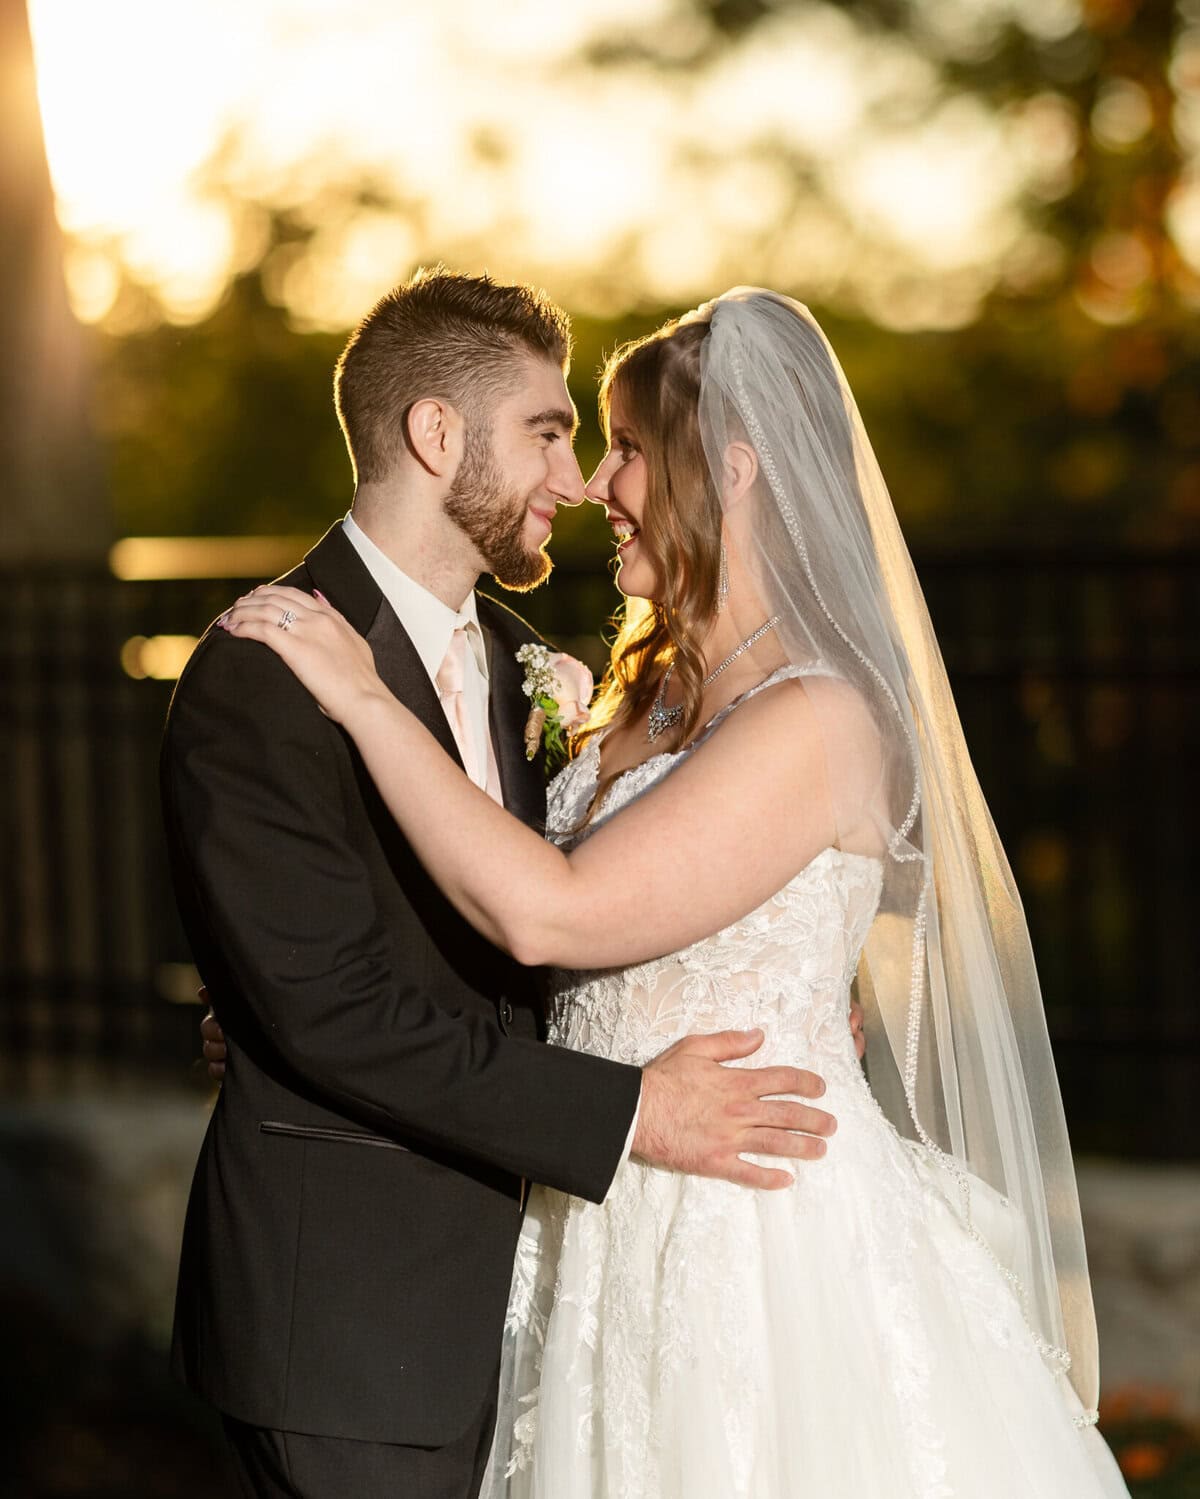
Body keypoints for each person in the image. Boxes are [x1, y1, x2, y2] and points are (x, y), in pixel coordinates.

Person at [217, 288, 1132, 1497]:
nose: (598, 482)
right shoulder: (630, 699)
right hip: (584, 1230)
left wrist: (367, 700)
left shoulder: (816, 715)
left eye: (630, 447)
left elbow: (555, 911)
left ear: (733, 467)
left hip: (747, 1241)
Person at [161, 271, 847, 1499]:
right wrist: (635, 1107)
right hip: (360, 1323)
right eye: (551, 430)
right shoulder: (266, 667)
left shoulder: (548, 672)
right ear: (436, 435)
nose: (580, 479)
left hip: (563, 1290)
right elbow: (335, 1006)